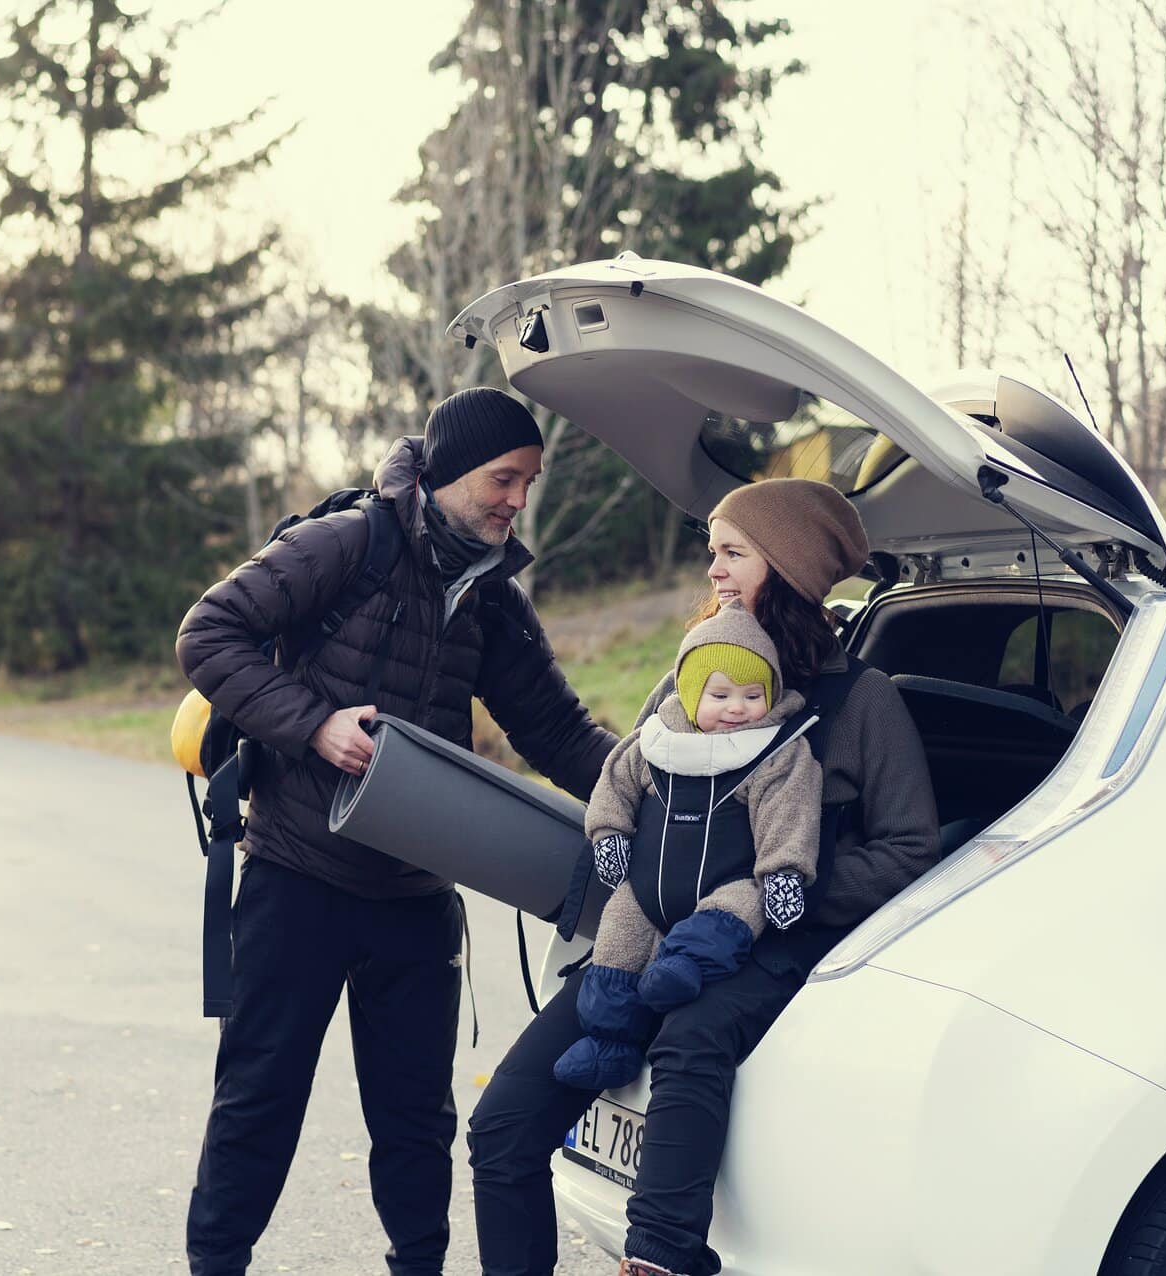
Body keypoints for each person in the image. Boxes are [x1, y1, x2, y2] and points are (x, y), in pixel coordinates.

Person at [175, 386, 617, 1276]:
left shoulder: (493, 595)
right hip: (297, 874)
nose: (516, 501)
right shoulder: (349, 543)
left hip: (414, 897)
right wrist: (313, 724)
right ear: (451, 472)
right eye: (504, 479)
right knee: (259, 1102)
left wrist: (665, 797)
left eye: (529, 483)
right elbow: (208, 631)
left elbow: (560, 733)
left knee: (417, 1120)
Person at [466, 477, 940, 1276]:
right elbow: (629, 776)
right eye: (711, 552)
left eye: (732, 553)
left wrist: (786, 896)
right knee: (501, 1131)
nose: (713, 571)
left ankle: (658, 1256)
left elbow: (908, 848)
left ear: (785, 566)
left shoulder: (865, 705)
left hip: (765, 945)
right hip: (646, 939)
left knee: (691, 1036)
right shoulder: (690, 676)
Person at [553, 602, 822, 1092]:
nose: (737, 707)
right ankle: (608, 1045)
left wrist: (784, 872)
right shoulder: (656, 742)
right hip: (646, 891)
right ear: (692, 695)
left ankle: (681, 967)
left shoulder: (777, 753)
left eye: (752, 694)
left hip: (731, 884)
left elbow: (789, 814)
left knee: (736, 913)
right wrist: (608, 833)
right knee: (616, 941)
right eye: (720, 694)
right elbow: (614, 784)